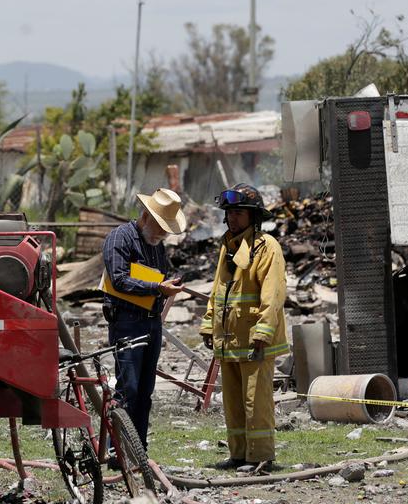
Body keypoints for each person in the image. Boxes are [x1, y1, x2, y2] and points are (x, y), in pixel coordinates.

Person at [199, 183, 288, 471]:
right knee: (234, 402)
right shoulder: (228, 245)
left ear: (253, 216)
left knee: (255, 401)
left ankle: (261, 456)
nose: (232, 218)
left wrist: (262, 332)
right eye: (229, 213)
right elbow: (218, 290)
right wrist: (207, 324)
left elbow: (273, 294)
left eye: (238, 213)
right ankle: (238, 455)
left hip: (254, 341)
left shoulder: (267, 247)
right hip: (229, 340)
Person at [101, 187, 186, 451]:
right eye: (160, 226)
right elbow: (119, 279)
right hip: (127, 322)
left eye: (166, 229)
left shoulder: (156, 246)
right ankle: (117, 449)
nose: (162, 234)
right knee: (129, 390)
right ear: (146, 216)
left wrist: (165, 286)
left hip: (151, 322)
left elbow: (157, 277)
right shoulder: (120, 238)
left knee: (145, 392)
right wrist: (158, 288)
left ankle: (138, 448)